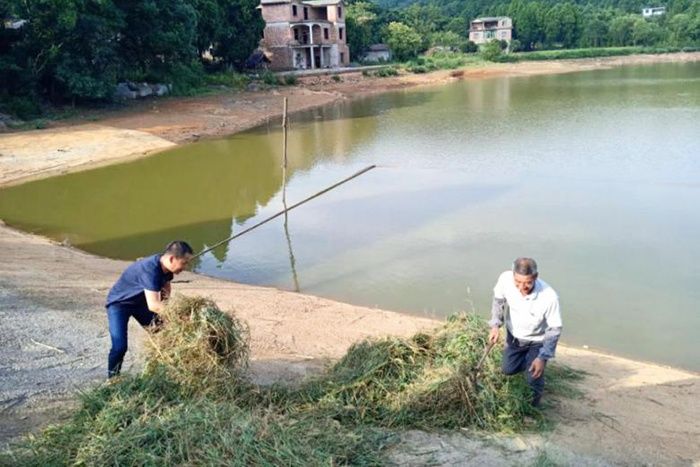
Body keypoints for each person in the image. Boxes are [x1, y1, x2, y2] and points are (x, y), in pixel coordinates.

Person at [105, 240, 193, 378]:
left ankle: (162, 372)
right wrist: (178, 315)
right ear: (171, 258)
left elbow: (166, 286)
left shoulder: (165, 265)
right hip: (120, 304)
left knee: (163, 335)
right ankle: (112, 379)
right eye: (184, 262)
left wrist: (167, 308)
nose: (185, 267)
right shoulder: (150, 270)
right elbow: (153, 305)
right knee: (120, 346)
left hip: (141, 303)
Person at [488, 257, 562, 406]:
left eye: (527, 283)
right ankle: (528, 363)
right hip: (514, 337)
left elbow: (554, 329)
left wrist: (542, 357)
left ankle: (533, 407)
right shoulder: (505, 279)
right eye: (518, 282)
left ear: (535, 277)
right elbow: (499, 302)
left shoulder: (549, 297)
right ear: (513, 276)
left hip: (537, 341)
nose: (522, 288)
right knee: (507, 369)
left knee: (533, 378)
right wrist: (495, 325)